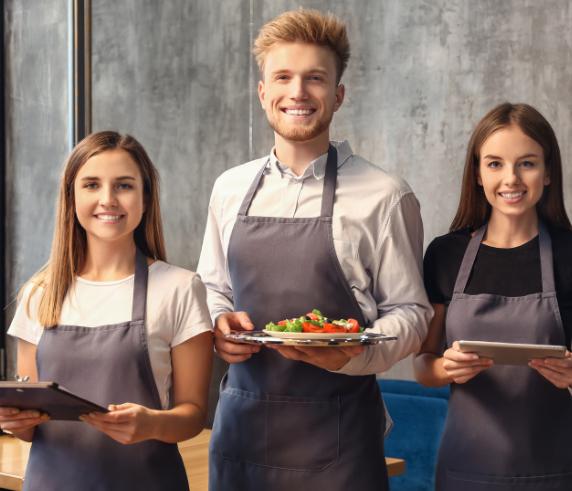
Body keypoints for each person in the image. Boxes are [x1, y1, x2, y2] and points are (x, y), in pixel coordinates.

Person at [197, 9, 432, 491]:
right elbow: (212, 288)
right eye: (282, 77)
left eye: (315, 78)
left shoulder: (386, 195)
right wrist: (218, 322)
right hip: (240, 434)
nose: (298, 92)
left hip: (340, 442)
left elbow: (412, 314)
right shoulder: (229, 187)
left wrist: (352, 355)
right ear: (263, 92)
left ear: (338, 94)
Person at [0, 131, 214, 491]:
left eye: (124, 186)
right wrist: (16, 421)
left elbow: (193, 415)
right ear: (71, 199)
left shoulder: (180, 287)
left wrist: (152, 425)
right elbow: (31, 428)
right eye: (91, 185)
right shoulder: (39, 293)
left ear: (145, 200)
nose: (108, 199)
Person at [414, 103, 572, 490]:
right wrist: (446, 369)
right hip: (466, 470)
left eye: (527, 163)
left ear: (548, 171)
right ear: (478, 173)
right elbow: (423, 364)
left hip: (556, 467)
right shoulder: (445, 254)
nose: (511, 179)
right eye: (496, 163)